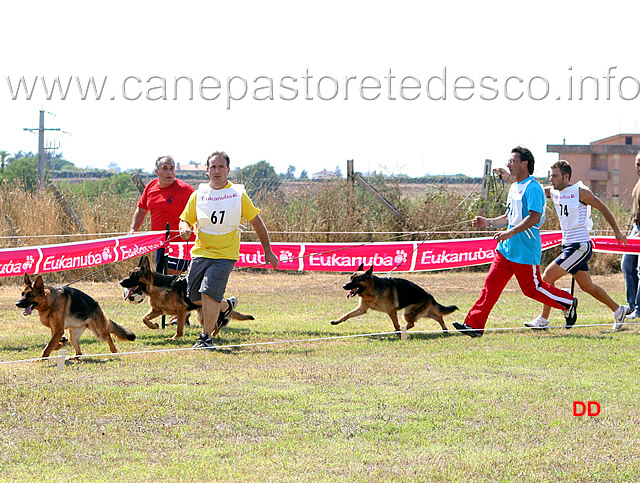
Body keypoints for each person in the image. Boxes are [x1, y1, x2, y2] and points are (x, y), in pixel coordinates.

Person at [453, 146, 577, 338]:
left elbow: (534, 217)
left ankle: (568, 302)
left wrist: (510, 232)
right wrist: (489, 222)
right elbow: (510, 216)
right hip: (506, 249)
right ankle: (474, 325)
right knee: (491, 284)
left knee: (532, 289)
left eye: (512, 161)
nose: (508, 165)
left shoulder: (533, 187)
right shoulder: (514, 186)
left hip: (525, 250)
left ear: (524, 163)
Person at [498, 160, 628, 330]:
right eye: (550, 176)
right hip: (568, 246)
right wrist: (507, 175)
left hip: (580, 245)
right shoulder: (552, 191)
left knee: (547, 276)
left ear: (566, 176)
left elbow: (603, 208)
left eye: (555, 176)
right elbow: (528, 188)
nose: (551, 179)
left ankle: (543, 320)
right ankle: (619, 310)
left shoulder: (581, 192)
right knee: (587, 286)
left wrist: (617, 231)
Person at [179, 151, 279, 349]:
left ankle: (206, 337)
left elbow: (257, 223)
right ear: (207, 171)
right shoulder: (198, 195)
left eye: (221, 167)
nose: (217, 171)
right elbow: (185, 219)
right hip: (201, 252)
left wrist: (268, 251)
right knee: (193, 296)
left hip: (225, 254)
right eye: (213, 167)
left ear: (228, 170)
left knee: (209, 292)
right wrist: (184, 228)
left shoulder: (237, 195)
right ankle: (226, 306)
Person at [129, 155, 195, 275]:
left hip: (179, 244)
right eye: (165, 168)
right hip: (160, 243)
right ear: (157, 171)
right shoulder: (150, 187)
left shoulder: (186, 190)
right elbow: (141, 210)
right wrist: (133, 229)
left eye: (172, 168)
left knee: (169, 278)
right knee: (161, 277)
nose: (169, 172)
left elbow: (199, 211)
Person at [621, 151, 640, 319]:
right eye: (637, 164)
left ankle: (639, 309)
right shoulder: (638, 183)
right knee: (627, 266)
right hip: (635, 229)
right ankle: (632, 305)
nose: (639, 167)